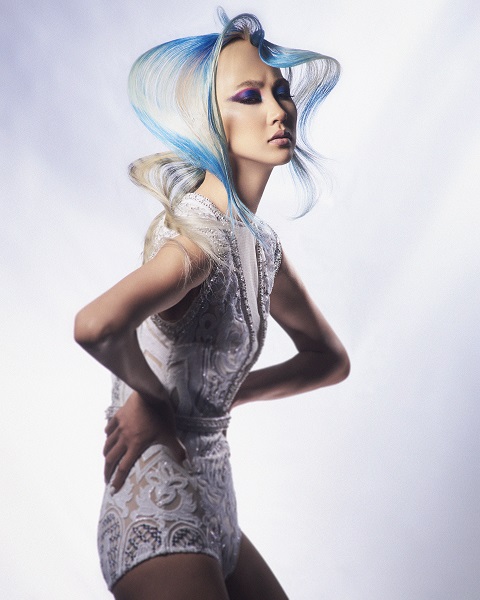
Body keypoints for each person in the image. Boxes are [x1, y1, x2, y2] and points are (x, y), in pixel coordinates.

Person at [75, 10, 349, 600]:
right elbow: (95, 325)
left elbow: (329, 360)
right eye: (249, 96)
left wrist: (216, 401)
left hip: (217, 501)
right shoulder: (199, 243)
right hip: (157, 511)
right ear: (209, 122)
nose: (278, 110)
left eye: (280, 91)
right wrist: (153, 398)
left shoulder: (260, 247)